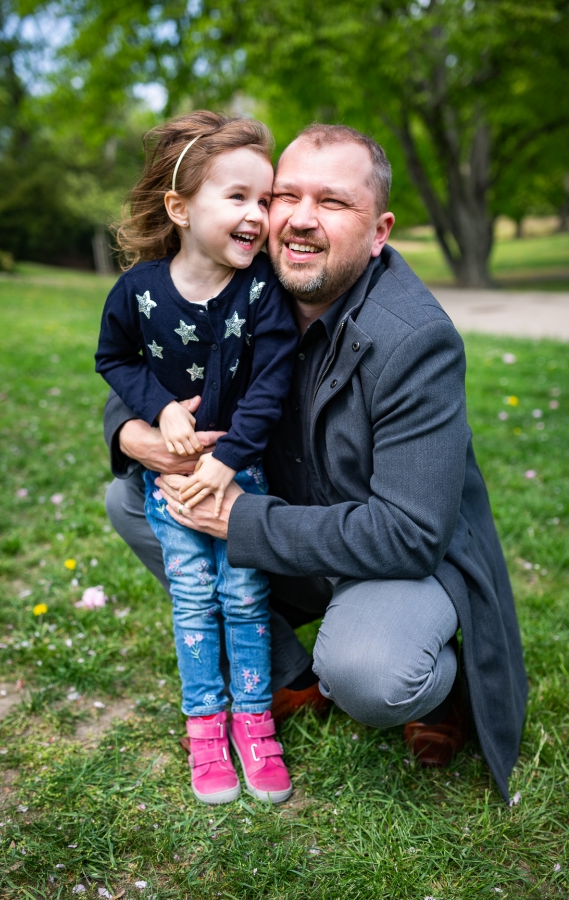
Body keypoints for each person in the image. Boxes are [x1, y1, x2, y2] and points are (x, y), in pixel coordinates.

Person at [104, 123, 528, 804]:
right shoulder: (247, 284)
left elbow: (410, 534)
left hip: (390, 560)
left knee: (372, 671)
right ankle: (294, 674)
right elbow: (152, 360)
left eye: (332, 202)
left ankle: (433, 675)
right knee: (133, 499)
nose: (300, 219)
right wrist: (133, 430)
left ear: (380, 231)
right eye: (285, 196)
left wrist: (242, 521)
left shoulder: (416, 339)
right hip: (292, 527)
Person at [96, 111, 299, 805]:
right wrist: (161, 410)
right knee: (192, 598)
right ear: (180, 209)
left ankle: (254, 721)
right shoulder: (139, 291)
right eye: (237, 197)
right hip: (174, 483)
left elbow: (272, 382)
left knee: (243, 596)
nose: (257, 216)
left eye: (264, 200)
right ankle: (205, 726)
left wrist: (229, 459)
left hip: (240, 478)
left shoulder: (263, 289)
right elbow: (114, 358)